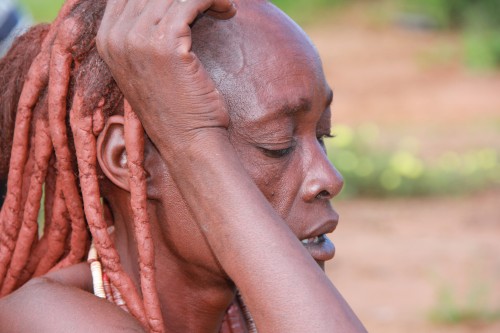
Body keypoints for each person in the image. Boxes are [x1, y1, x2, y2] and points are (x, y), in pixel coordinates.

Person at [0, 0, 367, 332]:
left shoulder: (247, 311)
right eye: (277, 144)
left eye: (323, 135)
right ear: (129, 159)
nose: (328, 179)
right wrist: (193, 138)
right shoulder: (49, 320)